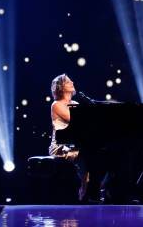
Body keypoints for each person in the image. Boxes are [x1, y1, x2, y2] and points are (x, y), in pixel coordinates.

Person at [48, 73, 89, 201]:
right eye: (68, 81)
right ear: (60, 87)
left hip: (75, 143)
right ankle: (84, 190)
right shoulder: (56, 104)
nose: (72, 82)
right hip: (60, 146)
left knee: (93, 153)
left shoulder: (75, 103)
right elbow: (76, 121)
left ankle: (92, 190)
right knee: (85, 154)